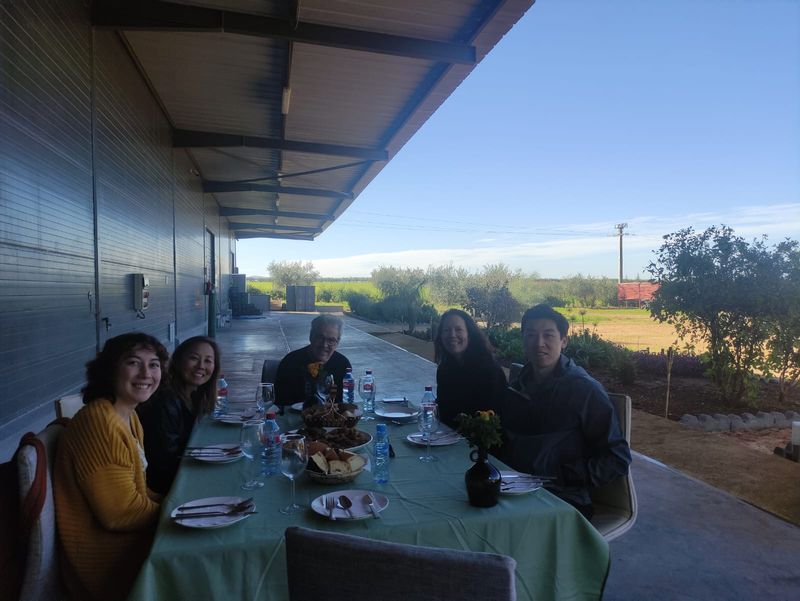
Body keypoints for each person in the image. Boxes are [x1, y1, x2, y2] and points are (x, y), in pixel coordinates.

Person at [54, 333, 166, 601]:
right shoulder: (101, 422)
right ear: (109, 370)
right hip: (109, 562)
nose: (146, 373)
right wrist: (178, 513)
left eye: (154, 364)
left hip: (131, 545)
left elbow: (140, 494)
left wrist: (180, 504)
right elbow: (121, 513)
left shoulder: (127, 415)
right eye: (133, 363)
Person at [497, 304, 631, 519]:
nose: (539, 343)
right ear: (523, 339)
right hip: (513, 487)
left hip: (562, 498)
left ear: (564, 341)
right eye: (531, 335)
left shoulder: (584, 390)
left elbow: (618, 458)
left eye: (548, 335)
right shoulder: (518, 384)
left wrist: (564, 475)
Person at [137, 336, 220, 495]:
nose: (201, 366)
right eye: (194, 358)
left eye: (208, 361)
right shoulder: (165, 401)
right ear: (178, 361)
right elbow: (164, 463)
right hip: (166, 488)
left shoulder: (193, 396)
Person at [434, 309, 507, 426]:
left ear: (469, 334)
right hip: (449, 437)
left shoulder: (489, 370)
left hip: (482, 440)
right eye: (446, 330)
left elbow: (495, 419)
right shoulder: (445, 369)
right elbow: (444, 410)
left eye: (458, 330)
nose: (452, 335)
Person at [275, 314, 352, 407]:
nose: (324, 345)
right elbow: (280, 404)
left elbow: (343, 404)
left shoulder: (342, 364)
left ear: (338, 342)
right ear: (311, 336)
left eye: (331, 340)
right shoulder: (290, 362)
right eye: (320, 338)